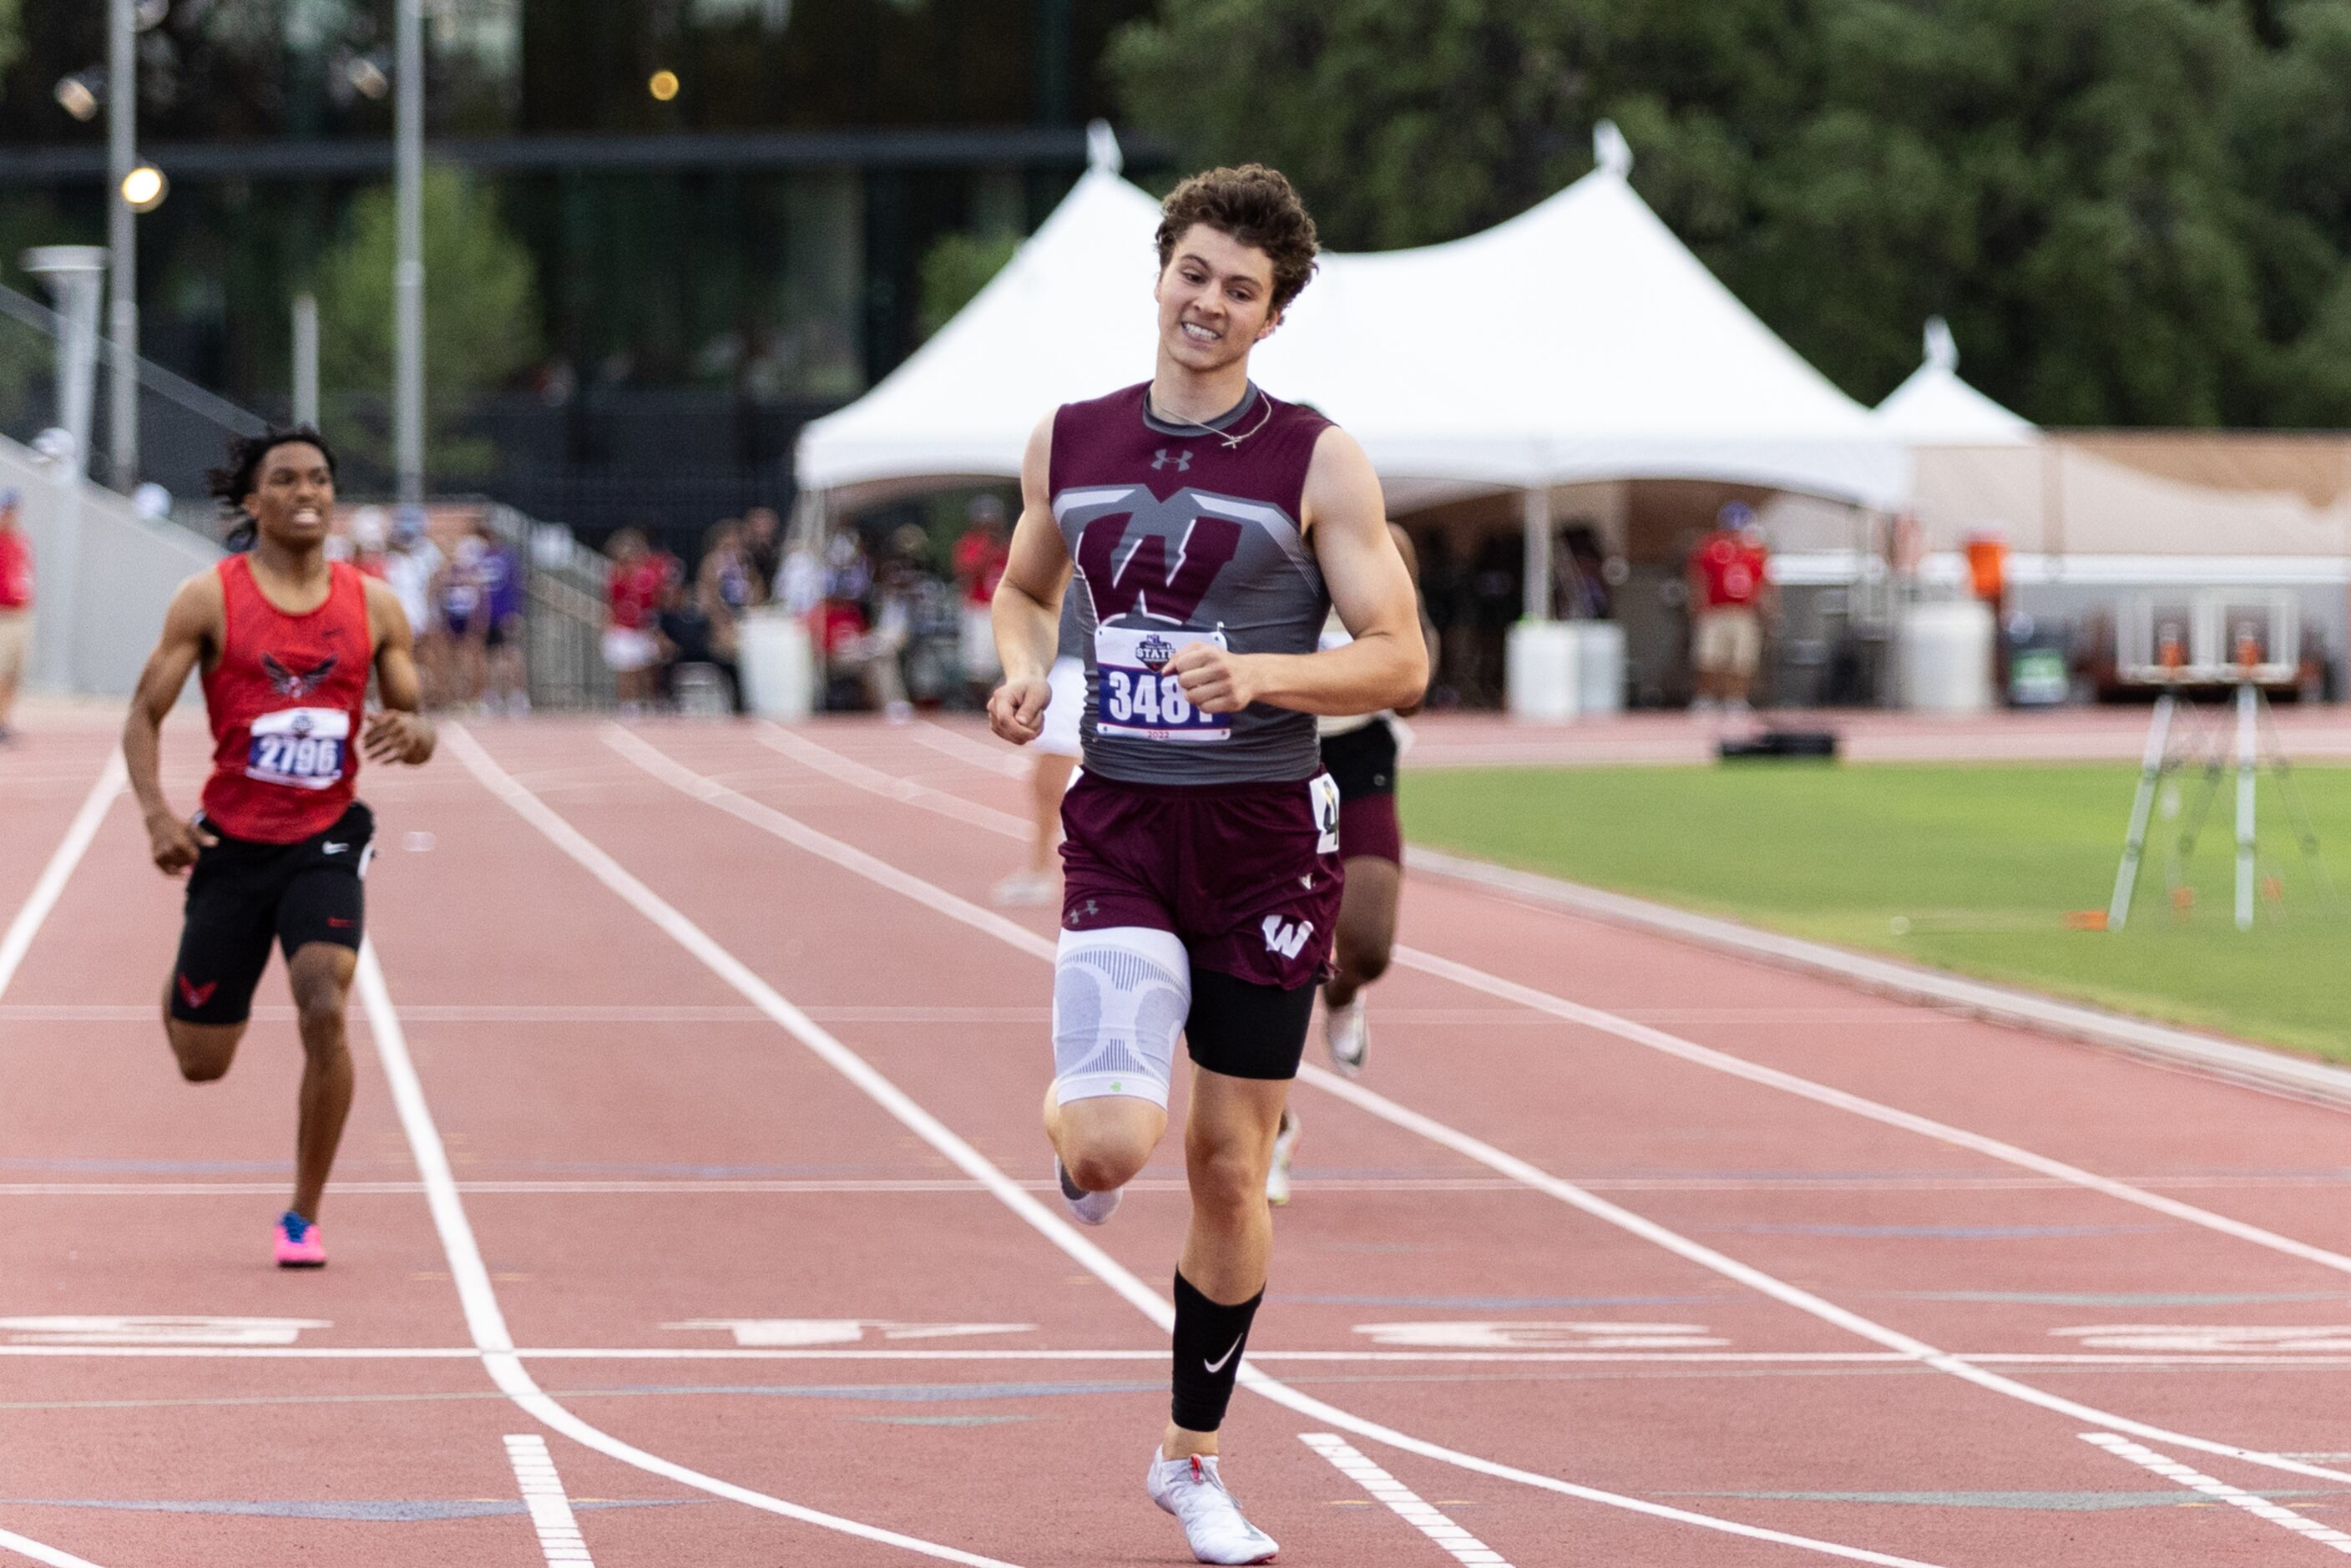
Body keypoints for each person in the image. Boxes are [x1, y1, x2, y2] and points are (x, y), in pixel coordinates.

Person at [988, 164, 1425, 1565]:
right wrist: (1017, 675)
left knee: (1231, 1167)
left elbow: (1403, 657)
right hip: (1122, 819)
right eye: (1196, 274)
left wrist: (1263, 674)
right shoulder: (1072, 435)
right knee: (1114, 1145)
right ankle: (1087, 1134)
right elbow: (1024, 588)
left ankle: (1191, 1457)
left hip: (1262, 843)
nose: (1210, 304)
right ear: (1160, 271)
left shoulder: (1317, 457)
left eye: (1242, 290)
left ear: (1272, 316)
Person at [120, 427, 435, 1268]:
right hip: (230, 843)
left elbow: (416, 712)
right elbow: (143, 715)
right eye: (287, 480)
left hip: (325, 837)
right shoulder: (208, 599)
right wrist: (158, 817)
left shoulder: (373, 604)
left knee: (323, 999)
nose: (308, 492)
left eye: (322, 479)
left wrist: (414, 730)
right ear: (252, 502)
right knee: (201, 1063)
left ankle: (302, 1214)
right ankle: (192, 975)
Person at [1266, 523, 1428, 1206]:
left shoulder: (1380, 540)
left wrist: (1383, 664)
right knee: (1264, 963)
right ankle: (1271, 1129)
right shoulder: (1243, 537)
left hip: (1358, 752)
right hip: (1268, 749)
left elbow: (1416, 665)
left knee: (1366, 943)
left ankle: (1344, 992)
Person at [991, 596, 1086, 907]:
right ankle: (1042, 869)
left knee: (1050, 783)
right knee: (1052, 783)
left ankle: (1040, 870)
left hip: (1073, 670)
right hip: (1069, 668)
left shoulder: (1070, 558)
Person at [1689, 501, 1772, 715]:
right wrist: (1699, 603)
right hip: (1716, 609)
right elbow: (1699, 576)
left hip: (1743, 611)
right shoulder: (1711, 546)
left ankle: (1736, 699)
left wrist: (1768, 609)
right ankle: (1707, 697)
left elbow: (1764, 582)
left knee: (1742, 659)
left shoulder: (1756, 550)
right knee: (1709, 656)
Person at [381, 508, 444, 705]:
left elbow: (436, 580)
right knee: (400, 656)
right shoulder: (392, 559)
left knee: (426, 655)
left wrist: (430, 610)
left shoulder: (426, 553)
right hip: (401, 613)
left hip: (420, 612)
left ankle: (431, 694)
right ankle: (404, 694)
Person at [953, 494, 1011, 702]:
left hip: (1003, 609)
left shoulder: (1007, 543)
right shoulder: (971, 543)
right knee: (978, 664)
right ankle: (977, 702)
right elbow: (966, 571)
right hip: (979, 607)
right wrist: (987, 549)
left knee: (1002, 658)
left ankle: (996, 696)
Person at [604, 528, 666, 715]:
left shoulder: (647, 575)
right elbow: (610, 602)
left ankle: (647, 701)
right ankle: (627, 705)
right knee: (625, 668)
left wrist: (654, 628)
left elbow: (655, 602)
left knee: (644, 669)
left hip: (643, 627)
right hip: (623, 626)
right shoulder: (616, 575)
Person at [473, 519, 528, 716]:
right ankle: (493, 695)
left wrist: (516, 612)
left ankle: (517, 695)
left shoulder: (508, 556)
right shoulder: (480, 556)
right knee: (489, 658)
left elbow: (516, 586)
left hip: (506, 613)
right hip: (487, 615)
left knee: (511, 654)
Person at [0, 490, 32, 744]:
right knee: (1, 671)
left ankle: (4, 720)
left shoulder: (21, 540)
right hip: (3, 613)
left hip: (21, 613)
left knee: (14, 672)